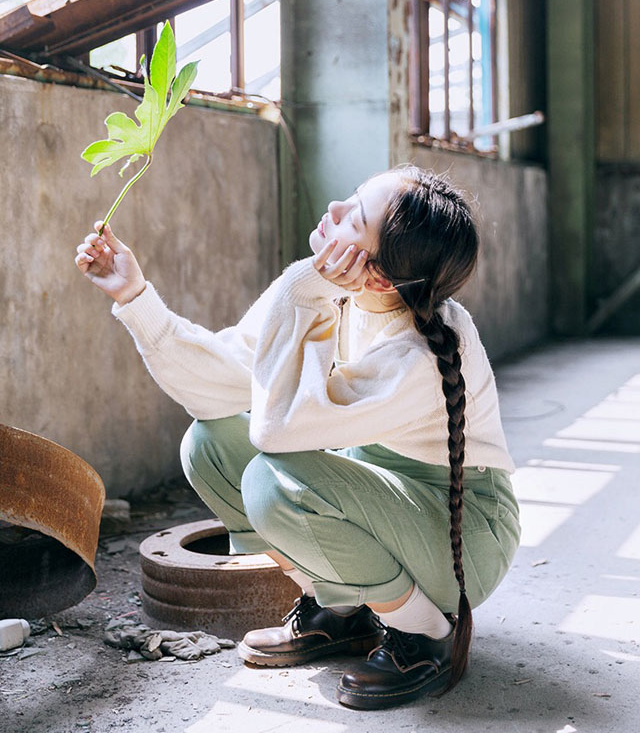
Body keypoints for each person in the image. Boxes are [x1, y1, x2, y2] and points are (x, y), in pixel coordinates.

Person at [75, 163, 520, 710]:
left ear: (377, 276)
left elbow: (275, 429)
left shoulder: (422, 353)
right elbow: (222, 382)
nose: (332, 211)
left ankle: (423, 633)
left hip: (462, 537)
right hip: (385, 499)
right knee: (211, 445)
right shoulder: (331, 292)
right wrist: (135, 295)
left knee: (272, 480)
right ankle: (336, 611)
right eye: (349, 199)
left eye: (352, 217)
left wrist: (299, 285)